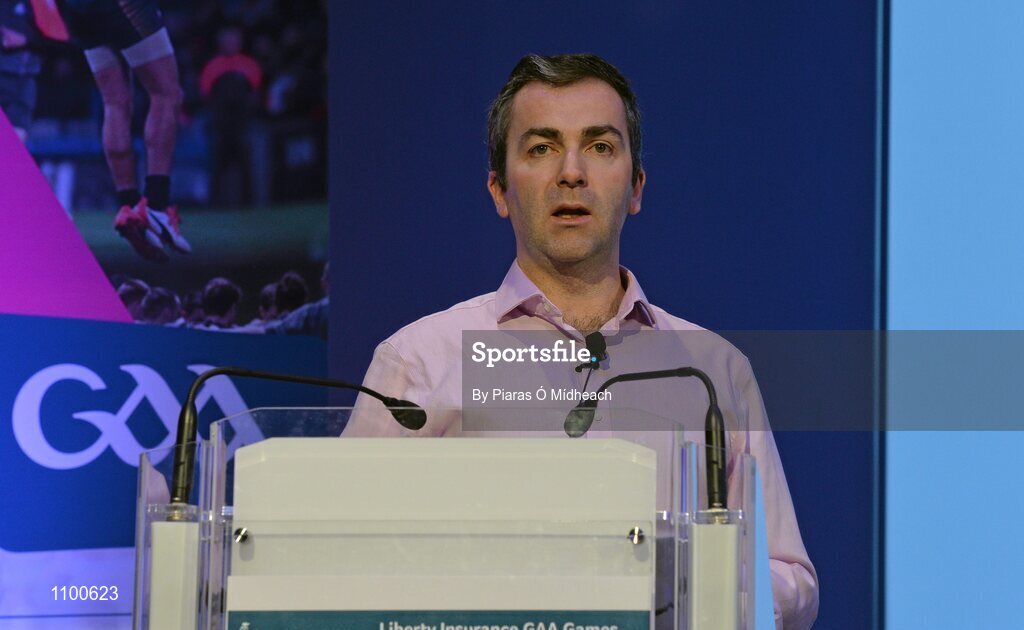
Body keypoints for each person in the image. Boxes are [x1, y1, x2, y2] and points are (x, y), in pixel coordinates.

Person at [342, 54, 818, 628]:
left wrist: (693, 581)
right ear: (499, 190)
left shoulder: (714, 370)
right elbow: (333, 558)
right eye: (541, 148)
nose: (572, 172)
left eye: (600, 147)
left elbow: (791, 581)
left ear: (636, 187)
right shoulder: (419, 361)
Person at [57, 0, 190, 261]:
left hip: (75, 9)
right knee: (167, 94)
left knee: (114, 101)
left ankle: (128, 205)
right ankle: (157, 204)